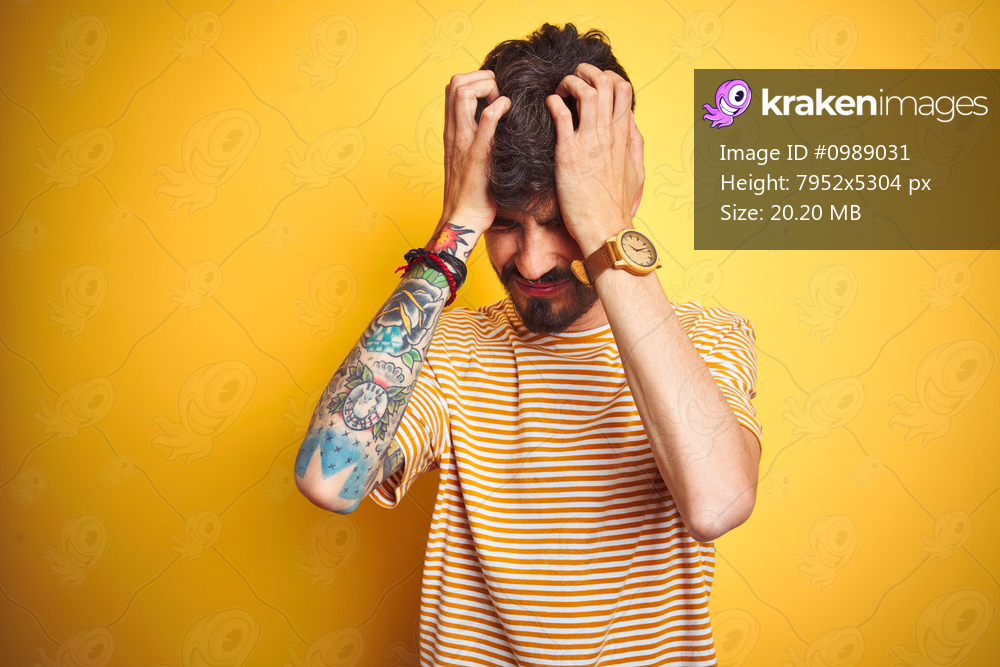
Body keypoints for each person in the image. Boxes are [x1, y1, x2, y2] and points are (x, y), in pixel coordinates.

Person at [295, 22, 762, 666]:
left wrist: (604, 223)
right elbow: (329, 477)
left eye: (562, 221)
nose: (534, 262)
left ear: (627, 190)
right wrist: (454, 230)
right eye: (507, 224)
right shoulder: (448, 346)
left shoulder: (710, 338)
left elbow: (718, 502)